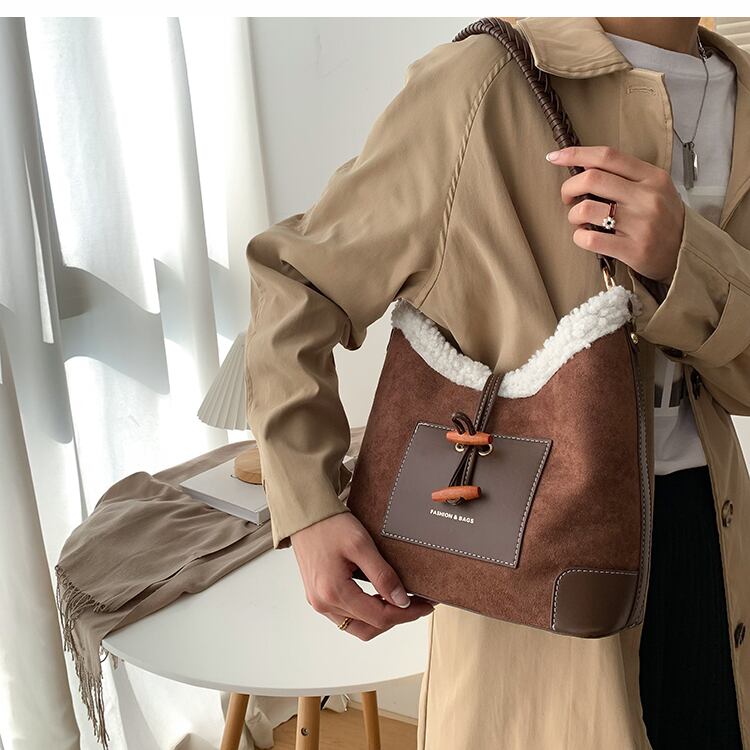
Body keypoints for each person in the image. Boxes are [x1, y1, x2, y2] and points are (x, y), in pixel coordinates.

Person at [244, 17, 750, 749]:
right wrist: (308, 507)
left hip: (713, 530)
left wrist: (683, 258)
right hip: (527, 549)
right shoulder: (480, 82)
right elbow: (299, 281)